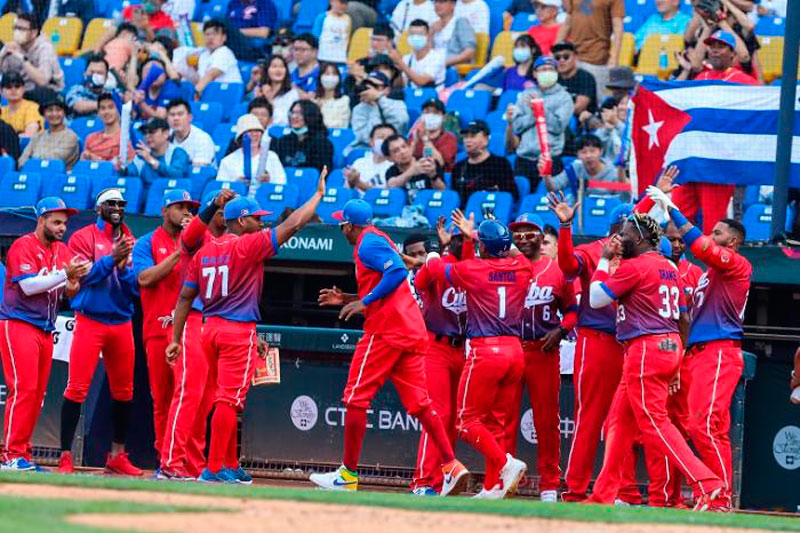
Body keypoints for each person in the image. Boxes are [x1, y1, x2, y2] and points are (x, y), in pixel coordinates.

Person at [168, 169, 328, 483]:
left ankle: (227, 463)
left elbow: (185, 297)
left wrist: (176, 338)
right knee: (229, 400)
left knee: (221, 398)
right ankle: (214, 468)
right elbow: (293, 223)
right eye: (256, 218)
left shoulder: (205, 251)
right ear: (241, 221)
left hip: (208, 330)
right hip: (235, 331)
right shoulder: (247, 245)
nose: (262, 222)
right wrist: (318, 195)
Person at [312, 199, 469, 495]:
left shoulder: (366, 243)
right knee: (421, 405)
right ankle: (451, 465)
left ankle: (347, 475)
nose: (340, 229)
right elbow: (388, 281)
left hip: (386, 331)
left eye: (341, 224)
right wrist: (348, 298)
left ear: (349, 225)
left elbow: (396, 272)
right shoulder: (378, 238)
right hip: (409, 330)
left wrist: (363, 302)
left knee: (356, 398)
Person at [585, 211, 725, 512]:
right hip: (668, 343)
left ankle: (706, 483)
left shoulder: (634, 266)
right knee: (618, 423)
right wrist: (676, 358)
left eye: (623, 234)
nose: (619, 239)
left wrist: (603, 259)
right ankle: (602, 494)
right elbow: (684, 318)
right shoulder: (669, 267)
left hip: (646, 347)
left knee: (654, 422)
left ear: (638, 238)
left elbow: (595, 298)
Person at [649, 186, 752, 511]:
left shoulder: (737, 264)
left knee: (704, 425)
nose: (712, 235)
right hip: (697, 353)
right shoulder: (710, 274)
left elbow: (701, 245)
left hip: (720, 350)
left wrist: (673, 210)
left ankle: (718, 498)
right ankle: (714, 495)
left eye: (719, 232)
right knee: (707, 427)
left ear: (732, 242)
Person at [423, 219, 530, 499]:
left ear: (482, 246)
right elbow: (515, 254)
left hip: (486, 351)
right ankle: (493, 486)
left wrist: (435, 250)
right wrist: (496, 240)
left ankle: (506, 465)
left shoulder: (474, 268)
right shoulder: (523, 267)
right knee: (496, 423)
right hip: (515, 352)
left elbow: (435, 268)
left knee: (466, 421)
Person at [548, 195, 629, 503]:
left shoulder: (640, 255)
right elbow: (567, 265)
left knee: (623, 422)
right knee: (590, 417)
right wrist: (565, 227)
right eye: (625, 226)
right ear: (614, 228)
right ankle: (576, 488)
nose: (629, 231)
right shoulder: (595, 249)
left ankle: (619, 490)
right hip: (598, 340)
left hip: (631, 344)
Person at [0, 198, 89, 471]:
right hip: (19, 322)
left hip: (45, 327)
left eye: (64, 223)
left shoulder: (62, 251)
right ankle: (11, 455)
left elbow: (67, 293)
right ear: (41, 219)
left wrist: (72, 282)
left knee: (36, 394)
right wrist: (65, 273)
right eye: (56, 222)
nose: (62, 228)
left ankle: (22, 453)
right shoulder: (23, 246)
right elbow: (28, 287)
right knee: (23, 390)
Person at [59, 189, 142, 476]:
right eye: (111, 203)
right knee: (77, 387)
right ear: (99, 208)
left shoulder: (130, 239)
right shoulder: (83, 237)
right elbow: (83, 277)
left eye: (121, 203)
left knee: (124, 391)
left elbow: (135, 289)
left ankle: (117, 455)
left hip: (121, 321)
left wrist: (123, 268)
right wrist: (110, 261)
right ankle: (65, 456)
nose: (117, 207)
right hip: (90, 319)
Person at [158, 189, 235, 479]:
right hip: (190, 320)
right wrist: (214, 202)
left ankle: (193, 465)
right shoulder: (194, 237)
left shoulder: (228, 243)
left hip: (215, 323)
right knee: (188, 393)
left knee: (206, 400)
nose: (224, 214)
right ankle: (171, 464)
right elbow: (192, 232)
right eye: (220, 210)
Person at [507, 212, 578, 502]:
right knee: (504, 418)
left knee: (547, 421)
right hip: (510, 349)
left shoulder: (555, 270)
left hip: (543, 351)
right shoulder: (505, 267)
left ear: (541, 238)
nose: (523, 239)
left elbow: (573, 310)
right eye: (518, 234)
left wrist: (561, 330)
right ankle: (499, 478)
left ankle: (549, 484)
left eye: (530, 233)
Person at [132, 189, 199, 467]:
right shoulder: (146, 243)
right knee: (162, 399)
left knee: (192, 398)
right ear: (164, 210)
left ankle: (191, 462)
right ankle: (166, 460)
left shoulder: (200, 243)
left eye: (189, 208)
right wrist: (180, 250)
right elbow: (144, 279)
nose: (186, 212)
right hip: (159, 330)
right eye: (179, 206)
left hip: (191, 330)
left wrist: (191, 242)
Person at [408, 211, 473, 496]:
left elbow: (471, 264)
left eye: (464, 239)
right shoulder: (438, 266)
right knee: (437, 413)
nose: (460, 243)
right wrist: (441, 250)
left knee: (451, 419)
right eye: (456, 239)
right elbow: (422, 281)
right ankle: (423, 481)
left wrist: (468, 237)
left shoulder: (473, 268)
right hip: (435, 347)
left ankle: (443, 477)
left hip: (461, 350)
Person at [512, 56, 573, 189]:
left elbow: (558, 127)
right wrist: (534, 115)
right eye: (543, 69)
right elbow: (516, 127)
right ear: (535, 73)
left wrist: (540, 109)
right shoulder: (526, 95)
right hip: (524, 160)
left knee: (548, 202)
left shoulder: (564, 97)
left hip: (550, 159)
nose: (547, 72)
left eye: (551, 69)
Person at [557, 0, 625, 103]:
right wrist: (554, 49)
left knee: (599, 102)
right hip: (574, 58)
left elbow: (618, 27)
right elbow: (567, 22)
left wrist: (614, 57)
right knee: (570, 100)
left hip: (597, 58)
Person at [452, 120, 518, 206]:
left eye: (473, 136)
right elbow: (455, 200)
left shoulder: (500, 164)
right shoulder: (458, 167)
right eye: (466, 137)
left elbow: (512, 196)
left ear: (486, 139)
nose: (467, 140)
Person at [0, 12, 64, 101]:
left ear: (34, 33)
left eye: (21, 29)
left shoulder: (45, 48)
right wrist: (2, 56)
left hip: (48, 93)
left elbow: (42, 81)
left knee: (38, 93)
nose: (17, 32)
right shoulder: (11, 46)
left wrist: (23, 60)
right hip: (19, 90)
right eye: (15, 28)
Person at [218, 113, 286, 196]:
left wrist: (269, 181)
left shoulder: (271, 157)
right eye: (249, 131)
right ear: (241, 136)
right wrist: (237, 185)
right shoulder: (227, 161)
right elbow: (220, 191)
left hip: (264, 200)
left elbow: (282, 184)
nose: (254, 134)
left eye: (257, 131)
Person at [541, 134, 620, 202]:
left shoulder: (613, 173)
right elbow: (553, 187)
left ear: (601, 151)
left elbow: (621, 199)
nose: (588, 156)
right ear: (577, 155)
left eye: (592, 151)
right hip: (580, 213)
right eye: (583, 152)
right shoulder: (574, 169)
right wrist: (546, 173)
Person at [123, 118, 191, 194]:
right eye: (145, 133)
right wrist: (122, 168)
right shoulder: (142, 155)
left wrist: (151, 160)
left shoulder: (177, 152)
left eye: (152, 132)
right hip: (145, 201)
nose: (147, 136)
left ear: (165, 133)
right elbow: (131, 173)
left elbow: (177, 175)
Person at [182, 20, 243, 100]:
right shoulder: (204, 55)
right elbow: (200, 78)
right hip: (210, 95)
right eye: (207, 34)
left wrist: (195, 92)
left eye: (215, 34)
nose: (211, 37)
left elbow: (212, 74)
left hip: (227, 95)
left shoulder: (224, 52)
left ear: (224, 38)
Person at [349, 71, 408, 151]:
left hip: (394, 149)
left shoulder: (397, 104)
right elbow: (365, 137)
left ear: (387, 90)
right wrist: (374, 107)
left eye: (375, 86)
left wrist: (380, 99)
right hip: (367, 149)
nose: (370, 89)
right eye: (367, 85)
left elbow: (400, 124)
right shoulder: (358, 109)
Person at [18, 97, 80, 171]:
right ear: (44, 114)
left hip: (58, 177)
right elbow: (22, 160)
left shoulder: (70, 136)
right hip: (33, 173)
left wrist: (32, 161)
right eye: (50, 110)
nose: (54, 114)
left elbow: (54, 160)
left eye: (58, 110)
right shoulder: (38, 136)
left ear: (64, 113)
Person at [273, 100, 334, 171]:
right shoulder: (282, 141)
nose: (294, 116)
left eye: (300, 113)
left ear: (310, 116)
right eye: (292, 113)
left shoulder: (322, 144)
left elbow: (323, 173)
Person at [383, 133, 446, 201]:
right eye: (396, 151)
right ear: (389, 158)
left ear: (409, 147)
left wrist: (433, 175)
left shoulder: (428, 163)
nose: (403, 152)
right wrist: (412, 171)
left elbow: (443, 191)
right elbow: (391, 185)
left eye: (404, 146)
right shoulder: (392, 171)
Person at [391, 18, 446, 90]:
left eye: (420, 34)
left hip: (432, 97)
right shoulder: (407, 58)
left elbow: (421, 81)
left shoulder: (436, 58)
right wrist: (395, 68)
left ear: (427, 35)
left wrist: (400, 62)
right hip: (410, 95)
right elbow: (403, 84)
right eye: (412, 34)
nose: (415, 37)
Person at [82, 93, 136, 164]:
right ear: (98, 112)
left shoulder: (126, 138)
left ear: (119, 110)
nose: (106, 112)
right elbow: (84, 165)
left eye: (111, 107)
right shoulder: (90, 138)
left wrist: (99, 160)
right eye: (103, 108)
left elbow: (128, 167)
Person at [344, 123, 396, 193]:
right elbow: (347, 190)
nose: (385, 141)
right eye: (381, 137)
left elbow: (384, 193)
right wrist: (351, 182)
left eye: (389, 138)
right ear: (371, 141)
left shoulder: (396, 165)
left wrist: (358, 183)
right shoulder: (359, 163)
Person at [408, 98, 457, 171]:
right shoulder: (414, 135)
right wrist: (414, 143)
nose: (431, 116)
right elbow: (405, 160)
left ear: (443, 117)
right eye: (427, 112)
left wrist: (425, 139)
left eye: (435, 113)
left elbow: (440, 163)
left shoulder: (448, 138)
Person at [130, 54, 184, 121]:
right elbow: (133, 116)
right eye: (148, 70)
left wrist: (141, 103)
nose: (153, 74)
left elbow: (160, 119)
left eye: (157, 71)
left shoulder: (170, 87)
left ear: (165, 75)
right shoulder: (141, 89)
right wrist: (128, 103)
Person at [692, 30, 758, 84]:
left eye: (720, 47)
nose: (715, 50)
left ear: (732, 53)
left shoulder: (744, 81)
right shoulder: (701, 78)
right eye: (712, 47)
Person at [166, 98, 217, 167]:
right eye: (172, 115)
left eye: (180, 114)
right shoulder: (164, 137)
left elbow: (199, 172)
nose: (176, 118)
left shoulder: (202, 139)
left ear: (190, 117)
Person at [553, 41, 597, 117]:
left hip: (580, 122)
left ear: (575, 57)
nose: (561, 61)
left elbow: (579, 108)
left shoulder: (586, 77)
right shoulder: (553, 78)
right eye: (557, 58)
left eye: (566, 57)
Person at [256, 55, 300, 127]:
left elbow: (284, 121)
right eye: (274, 67)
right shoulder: (260, 91)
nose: (278, 70)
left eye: (282, 66)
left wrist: (270, 100)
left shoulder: (292, 94)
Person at [431, 0, 477, 67]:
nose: (437, 5)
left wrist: (443, 63)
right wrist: (430, 33)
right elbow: (427, 53)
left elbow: (470, 52)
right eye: (436, 2)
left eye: (441, 1)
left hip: (452, 68)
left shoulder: (461, 22)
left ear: (453, 5)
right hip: (434, 68)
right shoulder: (433, 26)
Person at [1, 71, 42, 137]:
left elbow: (29, 135)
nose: (13, 90)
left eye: (17, 87)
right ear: (1, 92)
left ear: (23, 89)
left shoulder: (32, 107)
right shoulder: (2, 111)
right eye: (9, 87)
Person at [315, 0, 353, 65]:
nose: (343, 6)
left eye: (345, 3)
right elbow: (315, 36)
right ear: (331, 2)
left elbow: (348, 38)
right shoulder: (322, 17)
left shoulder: (348, 19)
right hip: (323, 57)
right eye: (341, 3)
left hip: (341, 59)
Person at [315, 63, 351, 129]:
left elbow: (342, 124)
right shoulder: (314, 101)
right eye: (327, 74)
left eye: (334, 74)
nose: (330, 77)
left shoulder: (344, 100)